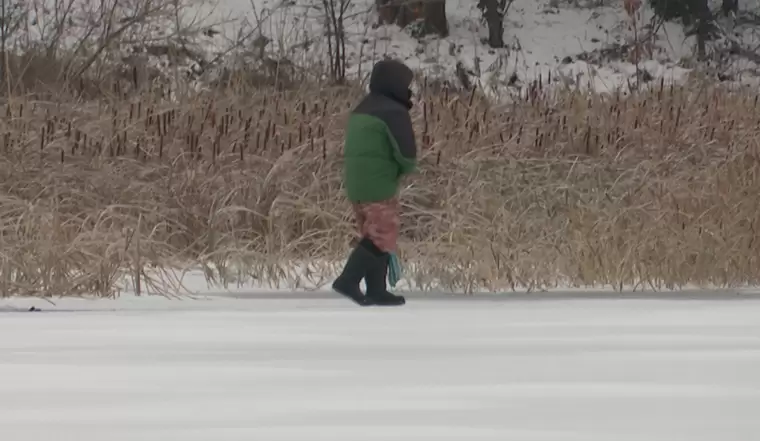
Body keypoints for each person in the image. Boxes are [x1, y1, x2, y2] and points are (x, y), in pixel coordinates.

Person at [332, 59, 417, 306]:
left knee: (372, 234)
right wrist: (404, 169)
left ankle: (376, 290)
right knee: (382, 234)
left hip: (357, 184)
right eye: (406, 85)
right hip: (379, 183)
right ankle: (347, 280)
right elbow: (406, 154)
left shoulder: (363, 108)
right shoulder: (393, 112)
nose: (409, 90)